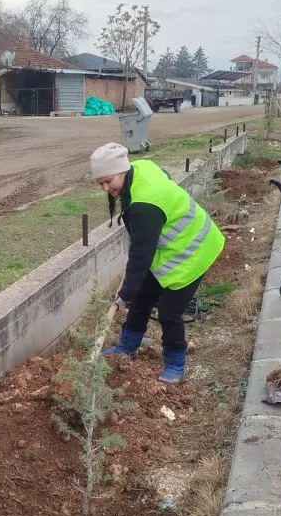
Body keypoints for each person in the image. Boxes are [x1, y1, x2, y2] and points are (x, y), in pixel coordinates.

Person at [91, 142, 224, 384]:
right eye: (100, 183)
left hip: (194, 250)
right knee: (143, 296)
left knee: (169, 311)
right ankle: (127, 347)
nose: (105, 188)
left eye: (108, 181)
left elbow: (141, 256)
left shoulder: (144, 206)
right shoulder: (141, 167)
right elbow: (164, 174)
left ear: (122, 170)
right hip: (173, 247)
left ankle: (175, 363)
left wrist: (125, 294)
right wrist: (133, 292)